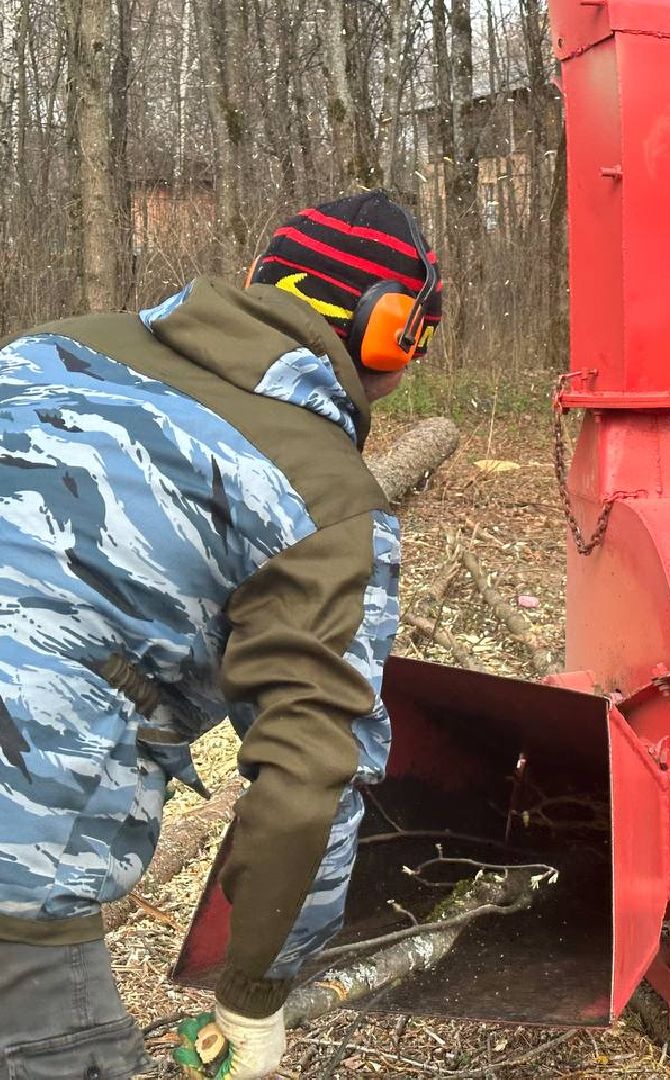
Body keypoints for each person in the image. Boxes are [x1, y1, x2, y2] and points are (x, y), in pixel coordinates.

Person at [0, 190, 442, 1079]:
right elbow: (309, 777)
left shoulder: (44, 348)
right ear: (396, 336)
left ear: (256, 281)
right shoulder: (324, 500)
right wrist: (256, 989)